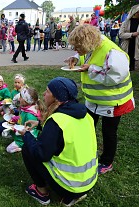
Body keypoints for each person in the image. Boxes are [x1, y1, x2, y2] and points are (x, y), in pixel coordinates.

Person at [67, 24, 135, 174]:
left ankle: (106, 161)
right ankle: (88, 153)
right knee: (88, 126)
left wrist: (90, 69)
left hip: (112, 102)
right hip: (94, 100)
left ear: (86, 42)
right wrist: (75, 58)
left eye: (77, 47)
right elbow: (87, 55)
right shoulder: (92, 45)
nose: (76, 50)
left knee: (109, 132)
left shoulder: (113, 53)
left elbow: (115, 77)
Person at [21, 77, 98, 206]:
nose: (44, 94)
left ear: (56, 98)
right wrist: (40, 124)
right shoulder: (85, 115)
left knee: (28, 148)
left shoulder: (56, 121)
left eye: (47, 91)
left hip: (69, 186)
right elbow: (64, 136)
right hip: (88, 182)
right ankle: (72, 196)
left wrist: (26, 135)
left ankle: (41, 192)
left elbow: (41, 154)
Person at [0, 87, 41, 153]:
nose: (19, 99)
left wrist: (16, 129)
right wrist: (15, 117)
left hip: (23, 139)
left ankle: (21, 148)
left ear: (26, 101)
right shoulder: (25, 108)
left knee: (8, 149)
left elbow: (30, 131)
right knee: (5, 122)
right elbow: (21, 117)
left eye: (21, 97)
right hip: (17, 128)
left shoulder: (30, 115)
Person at [119, 4, 139, 85]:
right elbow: (121, 34)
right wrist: (131, 34)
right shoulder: (126, 22)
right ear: (134, 13)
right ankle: (126, 78)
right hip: (128, 45)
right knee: (127, 62)